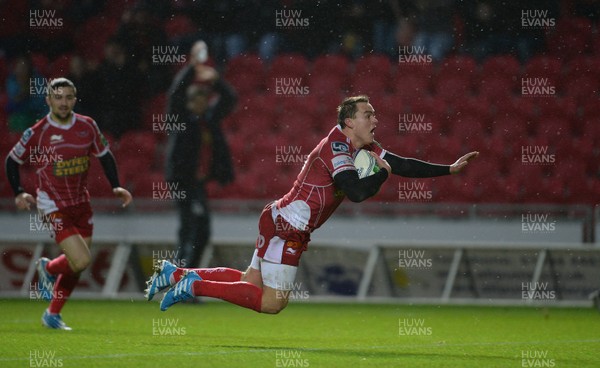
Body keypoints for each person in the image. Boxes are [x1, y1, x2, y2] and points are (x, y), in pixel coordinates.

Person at [146, 95, 478, 314]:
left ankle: (176, 273)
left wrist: (449, 169)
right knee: (273, 303)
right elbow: (357, 192)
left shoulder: (362, 147)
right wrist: (380, 177)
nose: (375, 118)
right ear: (349, 121)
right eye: (368, 114)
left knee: (250, 283)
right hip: (289, 226)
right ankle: (192, 286)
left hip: (277, 215)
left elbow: (402, 163)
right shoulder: (337, 148)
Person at [4, 78, 132, 329]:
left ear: (75, 99)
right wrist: (19, 192)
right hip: (52, 204)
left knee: (77, 264)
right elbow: (11, 160)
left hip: (81, 202)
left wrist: (116, 185)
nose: (63, 102)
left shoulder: (88, 126)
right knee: (82, 260)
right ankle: (49, 270)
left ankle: (52, 313)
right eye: (58, 97)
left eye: (68, 97)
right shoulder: (38, 132)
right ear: (48, 100)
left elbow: (105, 155)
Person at [164, 40, 237, 270]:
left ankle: (184, 277)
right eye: (197, 99)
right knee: (192, 228)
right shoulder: (181, 121)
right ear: (189, 102)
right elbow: (175, 95)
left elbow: (230, 99)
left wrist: (216, 81)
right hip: (183, 181)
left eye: (205, 98)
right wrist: (191, 68)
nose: (202, 103)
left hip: (197, 184)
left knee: (200, 229)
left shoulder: (209, 120)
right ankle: (182, 278)